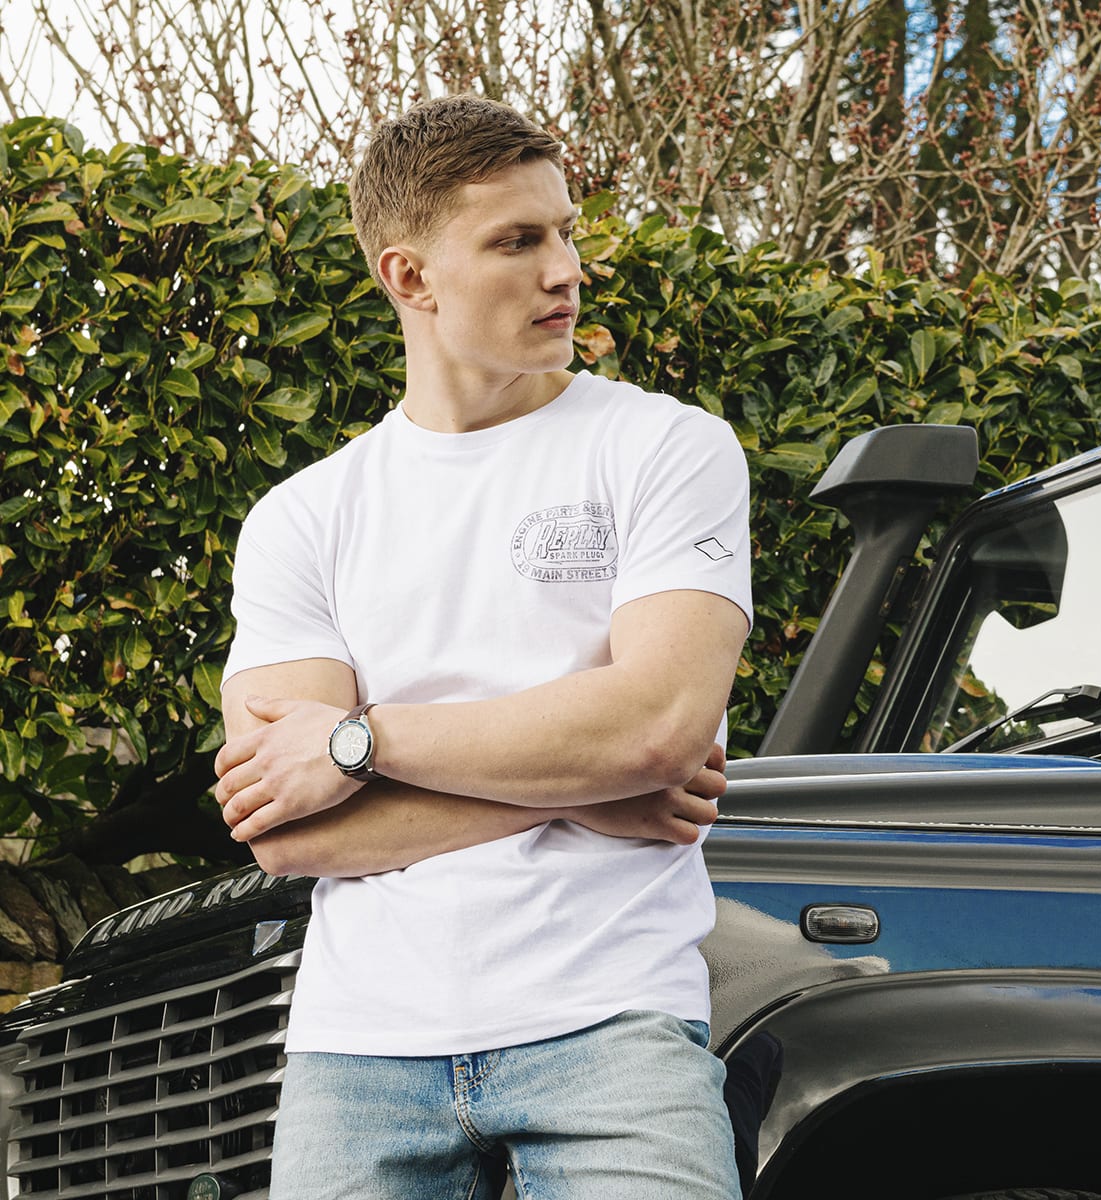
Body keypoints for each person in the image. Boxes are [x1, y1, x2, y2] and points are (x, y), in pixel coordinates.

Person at [214, 93, 753, 1200]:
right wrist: (583, 782)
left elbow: (656, 726)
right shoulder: (304, 517)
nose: (567, 271)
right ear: (410, 278)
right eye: (517, 241)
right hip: (358, 1051)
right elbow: (287, 831)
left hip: (610, 1029)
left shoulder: (665, 447)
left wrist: (361, 744)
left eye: (564, 230)